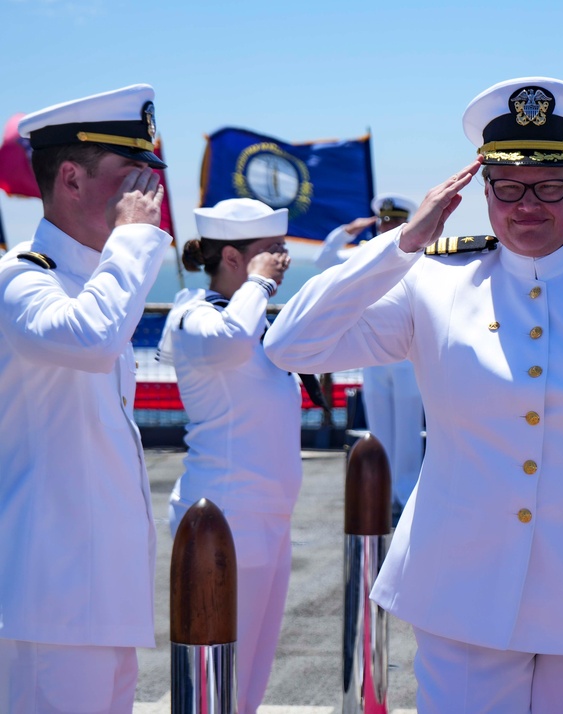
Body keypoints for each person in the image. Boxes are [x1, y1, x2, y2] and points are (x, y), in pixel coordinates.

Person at [264, 76, 563, 713]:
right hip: (462, 599)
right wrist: (400, 245)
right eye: (507, 186)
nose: (526, 203)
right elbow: (291, 345)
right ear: (482, 192)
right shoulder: (434, 282)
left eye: (549, 186)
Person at [0, 84, 171, 713]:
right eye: (131, 178)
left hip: (97, 604)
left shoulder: (94, 284)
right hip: (51, 605)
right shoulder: (21, 278)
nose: (147, 198)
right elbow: (90, 339)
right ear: (70, 178)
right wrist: (132, 241)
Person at [156, 198, 300, 714]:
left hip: (268, 516)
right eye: (269, 253)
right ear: (233, 259)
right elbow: (228, 344)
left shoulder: (253, 320)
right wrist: (259, 284)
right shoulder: (195, 315)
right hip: (224, 517)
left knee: (249, 677)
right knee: (216, 675)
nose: (281, 262)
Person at [316, 193, 425, 515]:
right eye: (384, 220)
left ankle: (405, 497)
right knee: (377, 430)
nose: (387, 225)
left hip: (407, 357)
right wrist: (346, 231)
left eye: (394, 220)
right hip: (374, 357)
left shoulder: (422, 253)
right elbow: (325, 260)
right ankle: (383, 493)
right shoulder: (366, 254)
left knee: (407, 433)